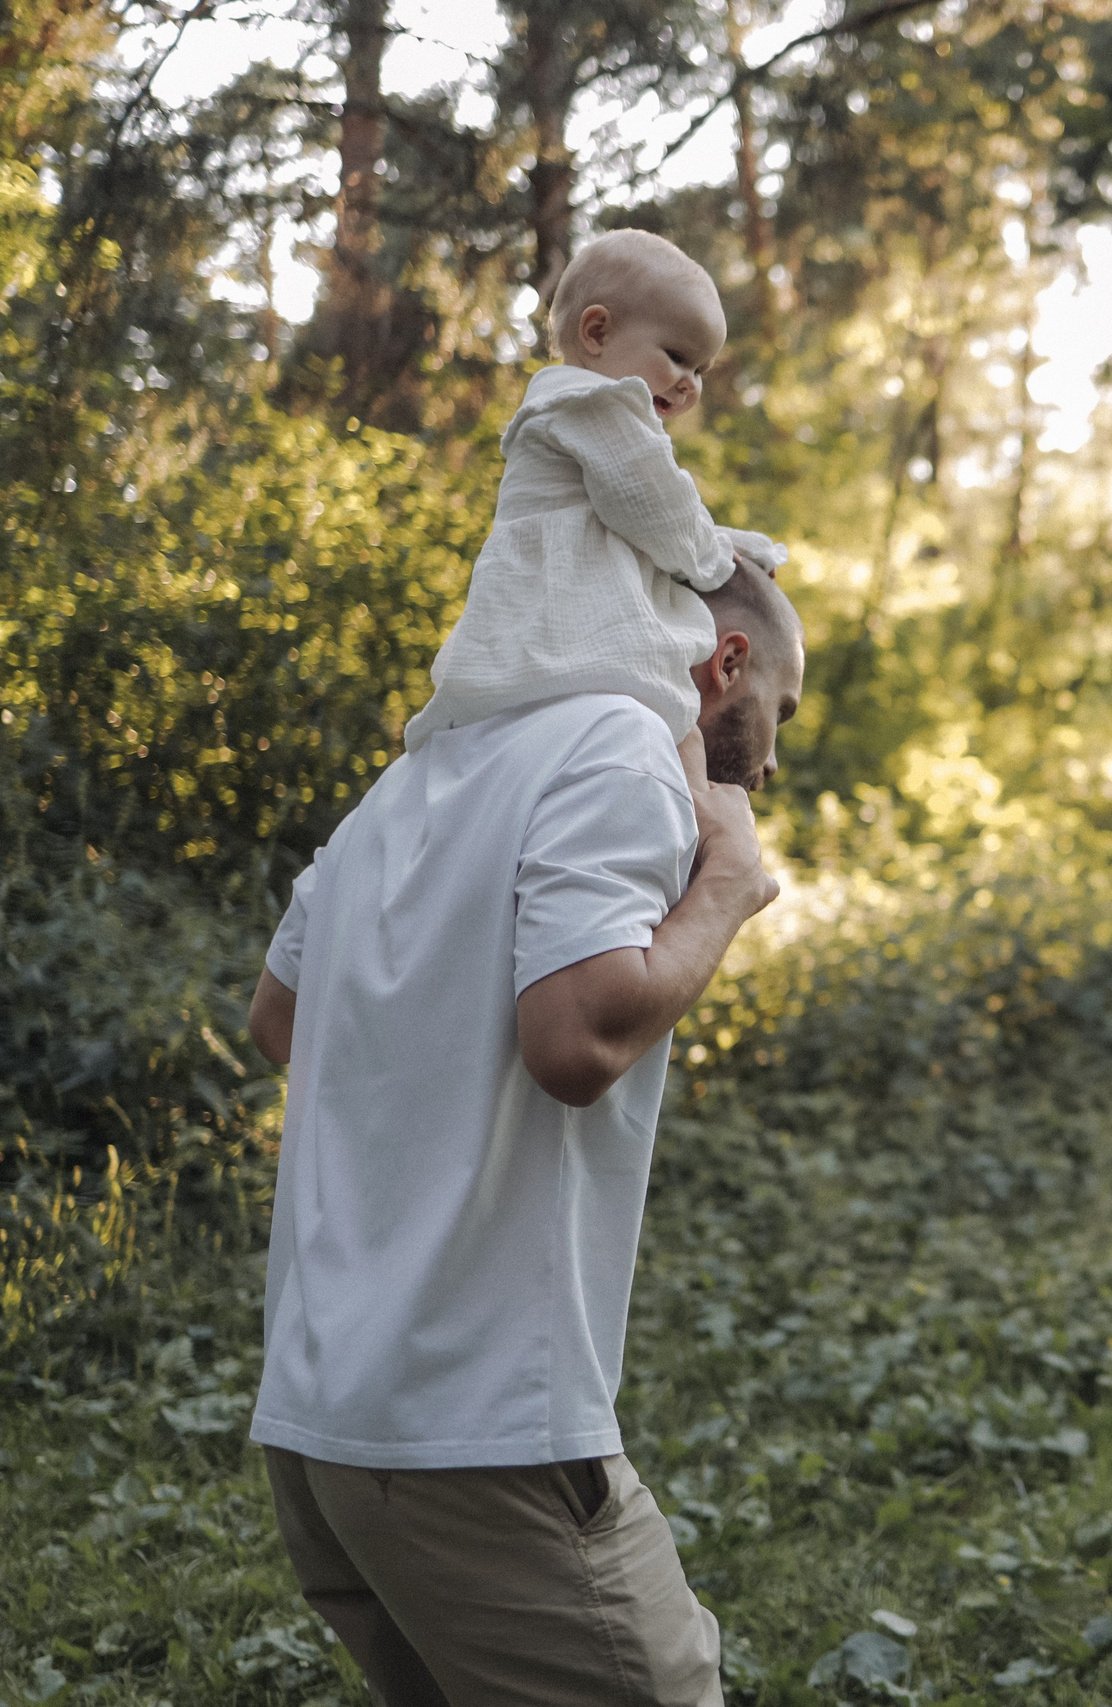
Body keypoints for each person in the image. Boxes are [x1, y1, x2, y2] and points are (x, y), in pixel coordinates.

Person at [244, 562, 803, 1703]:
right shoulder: (622, 745)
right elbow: (575, 1041)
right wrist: (728, 884)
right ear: (726, 663)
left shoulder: (412, 779)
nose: (774, 760)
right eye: (778, 711)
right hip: (474, 1434)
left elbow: (278, 1020)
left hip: (322, 1427)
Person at [404, 227, 786, 753]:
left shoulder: (584, 413)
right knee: (669, 737)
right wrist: (722, 564)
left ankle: (701, 800)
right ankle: (706, 803)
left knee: (682, 742)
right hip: (571, 638)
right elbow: (661, 514)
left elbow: (656, 518)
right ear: (597, 332)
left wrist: (738, 546)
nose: (690, 384)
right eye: (678, 356)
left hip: (562, 640)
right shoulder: (594, 405)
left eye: (701, 370)